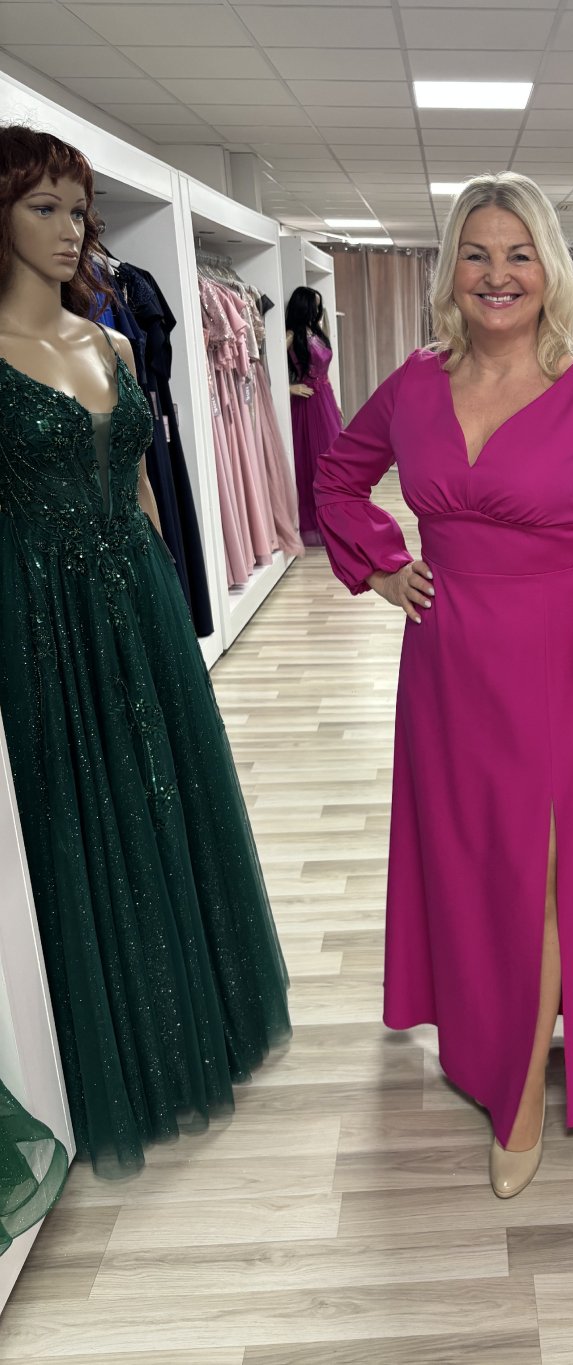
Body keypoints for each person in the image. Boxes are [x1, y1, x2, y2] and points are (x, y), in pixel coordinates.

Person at [315, 172, 573, 1198]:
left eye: (519, 254)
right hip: (443, 661)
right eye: (477, 253)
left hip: (552, 662)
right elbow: (337, 473)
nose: (497, 274)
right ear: (452, 271)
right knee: (465, 862)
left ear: (548, 269)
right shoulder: (415, 383)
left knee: (543, 875)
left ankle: (517, 1096)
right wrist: (385, 565)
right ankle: (482, 1034)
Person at [0, 125, 291, 1177]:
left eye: (78, 210)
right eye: (43, 206)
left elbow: (137, 493)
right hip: (43, 619)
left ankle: (198, 1019)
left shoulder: (113, 346)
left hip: (141, 602)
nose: (69, 228)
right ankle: (110, 1054)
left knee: (166, 801)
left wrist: (172, 606)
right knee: (81, 820)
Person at [287, 285, 343, 547]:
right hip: (308, 404)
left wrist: (335, 402)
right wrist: (289, 388)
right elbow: (265, 367)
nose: (318, 311)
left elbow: (325, 371)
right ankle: (316, 523)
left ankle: (336, 521)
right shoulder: (291, 336)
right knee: (312, 462)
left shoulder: (316, 332)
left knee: (333, 461)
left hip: (325, 400)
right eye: (315, 306)